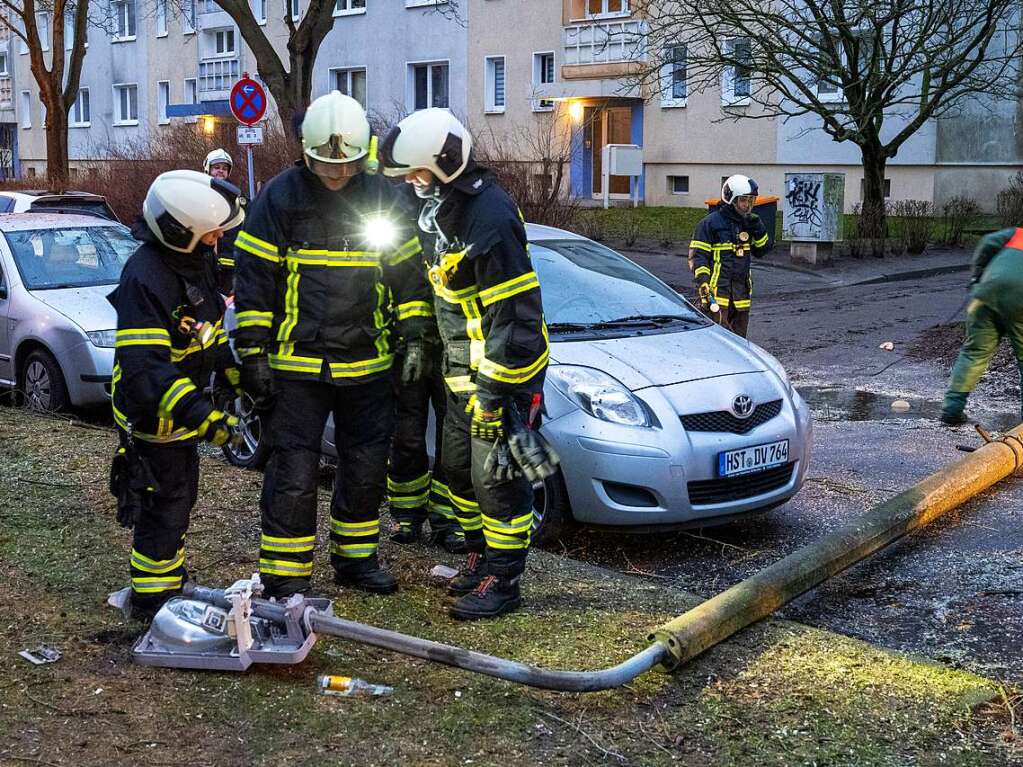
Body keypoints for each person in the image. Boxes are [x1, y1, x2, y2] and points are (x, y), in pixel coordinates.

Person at [232, 91, 429, 600]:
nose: (336, 174)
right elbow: (254, 281)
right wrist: (252, 353)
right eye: (325, 164)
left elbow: (409, 277)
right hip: (298, 366)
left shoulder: (384, 198)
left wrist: (413, 338)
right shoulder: (281, 198)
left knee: (365, 467)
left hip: (369, 363)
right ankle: (285, 571)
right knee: (293, 472)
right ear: (305, 151)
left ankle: (357, 559)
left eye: (345, 165)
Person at [380, 108, 559, 620]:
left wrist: (496, 392)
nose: (412, 183)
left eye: (417, 173)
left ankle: (504, 582)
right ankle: (480, 559)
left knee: (499, 478)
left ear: (445, 163)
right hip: (463, 374)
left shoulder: (489, 218)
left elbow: (516, 318)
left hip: (502, 378)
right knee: (459, 472)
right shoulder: (442, 212)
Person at [108, 169, 244, 621]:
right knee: (163, 507)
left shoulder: (188, 264)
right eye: (208, 236)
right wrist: (205, 416)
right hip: (154, 419)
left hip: (176, 419)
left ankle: (169, 582)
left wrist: (232, 372)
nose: (215, 243)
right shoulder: (145, 279)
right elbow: (149, 372)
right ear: (178, 232)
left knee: (179, 499)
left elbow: (203, 327)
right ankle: (151, 600)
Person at [386, 276, 466, 553]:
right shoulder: (401, 233)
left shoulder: (459, 233)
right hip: (406, 343)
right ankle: (406, 515)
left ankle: (449, 518)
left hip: (455, 344)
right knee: (407, 435)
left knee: (454, 436)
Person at [942, 226, 1023, 425]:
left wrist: (977, 277)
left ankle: (952, 409)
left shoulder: (1018, 234)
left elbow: (987, 241)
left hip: (985, 294)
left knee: (974, 352)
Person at [689, 175, 772, 338]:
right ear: (731, 199)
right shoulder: (709, 224)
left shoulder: (749, 224)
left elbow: (761, 251)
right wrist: (703, 283)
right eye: (743, 201)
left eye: (751, 201)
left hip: (741, 296)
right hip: (717, 295)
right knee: (718, 341)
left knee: (739, 343)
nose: (748, 206)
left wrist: (759, 229)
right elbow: (698, 257)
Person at [204, 148, 243, 294]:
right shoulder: (199, 192)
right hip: (205, 265)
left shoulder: (236, 197)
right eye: (216, 167)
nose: (220, 171)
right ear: (208, 168)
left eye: (224, 168)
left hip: (230, 267)